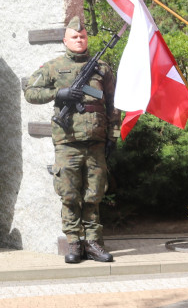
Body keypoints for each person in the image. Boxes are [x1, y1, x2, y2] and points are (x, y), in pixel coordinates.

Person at [24, 16, 118, 264]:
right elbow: (30, 92)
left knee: (94, 195)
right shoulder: (54, 67)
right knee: (69, 194)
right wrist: (59, 94)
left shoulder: (103, 68)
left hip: (96, 142)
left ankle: (94, 244)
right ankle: (74, 244)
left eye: (83, 36)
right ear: (65, 40)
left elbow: (113, 104)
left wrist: (113, 135)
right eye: (74, 37)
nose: (79, 40)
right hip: (67, 142)